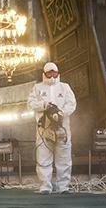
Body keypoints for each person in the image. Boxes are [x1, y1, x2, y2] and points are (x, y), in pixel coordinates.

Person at [27, 62, 77, 194]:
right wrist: (44, 105)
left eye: (54, 72)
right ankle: (45, 186)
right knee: (43, 157)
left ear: (58, 72)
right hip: (44, 129)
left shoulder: (65, 87)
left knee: (64, 158)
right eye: (49, 72)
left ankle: (63, 187)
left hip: (62, 129)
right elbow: (30, 104)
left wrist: (61, 113)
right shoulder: (37, 88)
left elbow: (71, 104)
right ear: (44, 74)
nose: (52, 75)